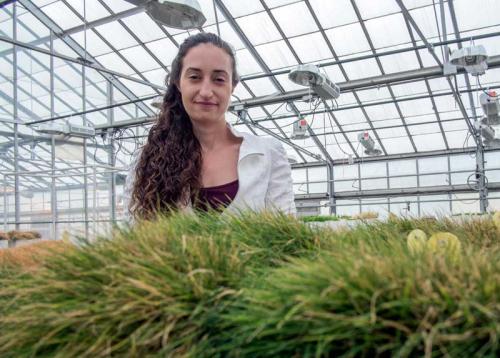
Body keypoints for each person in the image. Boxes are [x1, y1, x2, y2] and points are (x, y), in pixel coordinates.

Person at [123, 33, 296, 221]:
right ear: (178, 83)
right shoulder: (148, 160)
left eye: (219, 79)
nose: (206, 92)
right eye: (195, 77)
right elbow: (134, 236)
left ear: (233, 86)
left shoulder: (269, 154)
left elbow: (285, 234)